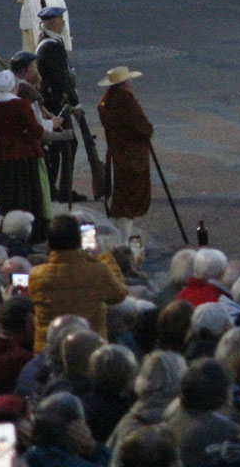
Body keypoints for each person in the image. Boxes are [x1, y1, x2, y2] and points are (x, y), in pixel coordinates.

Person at [29, 215, 128, 352]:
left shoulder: (36, 275)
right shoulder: (97, 271)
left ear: (49, 244)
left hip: (49, 352)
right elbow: (120, 294)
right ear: (79, 241)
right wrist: (105, 257)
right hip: (91, 350)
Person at [97, 66, 154, 244]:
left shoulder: (106, 102)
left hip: (116, 156)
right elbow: (144, 128)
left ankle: (115, 240)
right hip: (131, 157)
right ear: (124, 84)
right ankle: (123, 242)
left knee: (117, 199)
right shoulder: (127, 103)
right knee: (128, 200)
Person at [0, 70, 47, 219]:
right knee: (23, 194)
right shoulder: (21, 105)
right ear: (14, 87)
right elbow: (36, 130)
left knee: (2, 193)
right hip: (22, 154)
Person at [37, 7, 80, 205]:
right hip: (56, 102)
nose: (63, 21)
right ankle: (58, 190)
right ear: (54, 22)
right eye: (61, 19)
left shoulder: (50, 42)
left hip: (54, 100)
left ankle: (58, 189)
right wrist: (75, 102)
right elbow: (60, 78)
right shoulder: (50, 46)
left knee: (61, 145)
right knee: (61, 145)